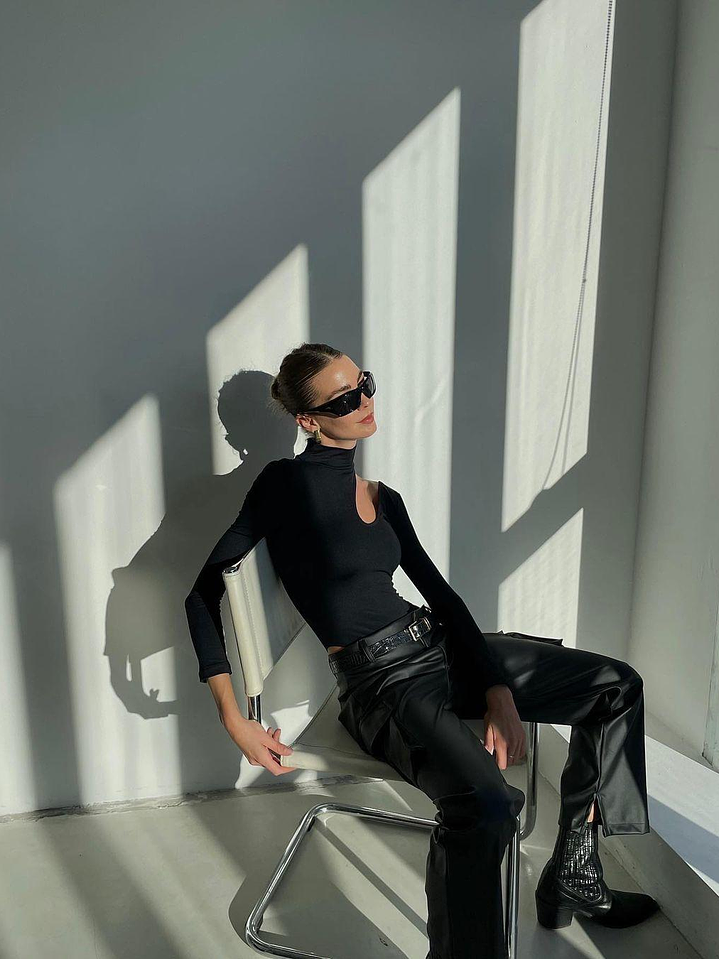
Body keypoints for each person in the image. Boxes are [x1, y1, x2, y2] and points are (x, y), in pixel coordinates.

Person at [184, 342, 660, 959]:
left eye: (366, 385)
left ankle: (575, 869)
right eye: (344, 400)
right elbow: (202, 594)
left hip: (435, 645)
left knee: (615, 687)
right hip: (383, 684)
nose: (365, 403)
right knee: (486, 806)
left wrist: (495, 689)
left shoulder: (383, 498)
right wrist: (234, 718)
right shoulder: (284, 484)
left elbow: (443, 597)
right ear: (308, 420)